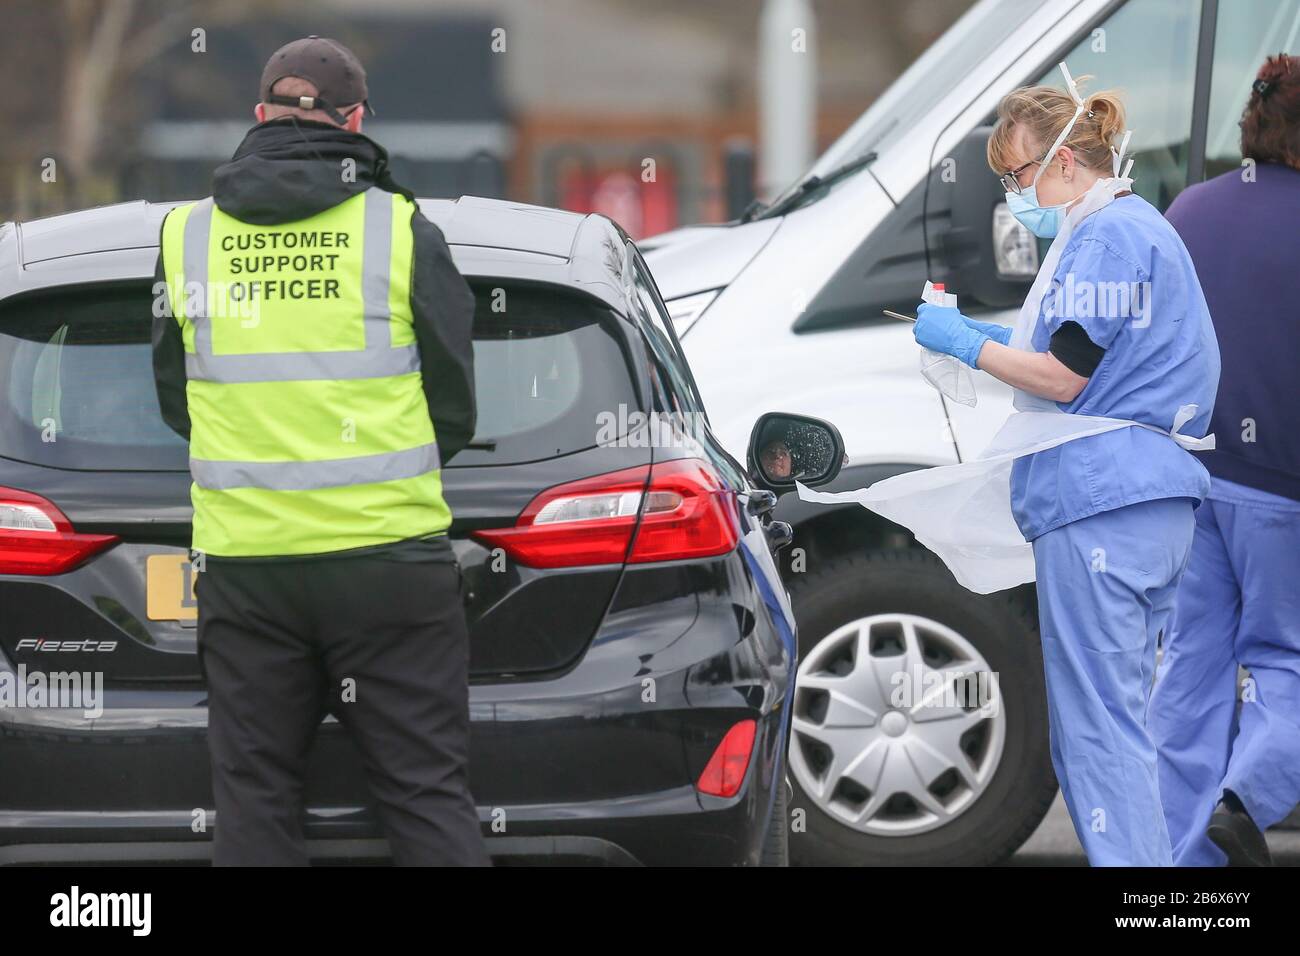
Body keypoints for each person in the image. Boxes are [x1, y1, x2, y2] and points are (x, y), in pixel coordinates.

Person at [151, 36, 489, 866]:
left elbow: (175, 397)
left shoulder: (184, 237)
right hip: (388, 559)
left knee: (255, 800)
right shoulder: (402, 230)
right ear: (358, 119)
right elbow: (453, 397)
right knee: (423, 792)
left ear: (260, 113)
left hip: (248, 564)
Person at [909, 66, 1220, 864]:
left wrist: (966, 345)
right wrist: (978, 342)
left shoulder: (1111, 236)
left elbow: (1063, 374)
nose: (1013, 193)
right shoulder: (1134, 231)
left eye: (1015, 175)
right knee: (1123, 728)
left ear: (1065, 162)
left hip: (1103, 508)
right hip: (1143, 508)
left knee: (1095, 738)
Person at [1147, 53, 1300, 867]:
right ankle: (1248, 798)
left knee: (1190, 676)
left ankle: (1186, 885)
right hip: (1285, 487)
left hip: (1192, 479)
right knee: (1288, 661)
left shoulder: (1192, 210)